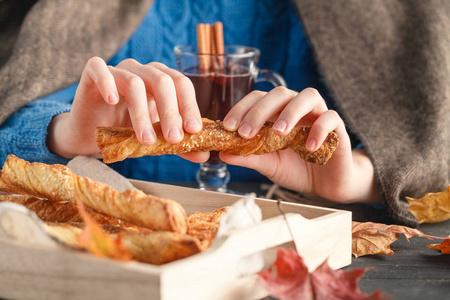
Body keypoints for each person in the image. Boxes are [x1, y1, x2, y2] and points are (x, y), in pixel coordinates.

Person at [1, 0, 449, 227]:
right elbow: (11, 108)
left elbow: (435, 140)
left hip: (306, 237)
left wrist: (357, 178)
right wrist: (63, 133)